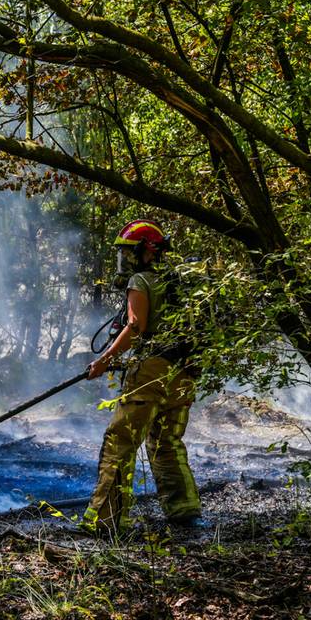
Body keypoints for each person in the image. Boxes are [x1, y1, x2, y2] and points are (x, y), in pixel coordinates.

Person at [85, 219, 200, 535]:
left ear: (143, 252)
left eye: (127, 252)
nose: (124, 260)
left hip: (151, 368)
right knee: (167, 442)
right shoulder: (178, 281)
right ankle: (185, 511)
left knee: (120, 441)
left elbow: (135, 326)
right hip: (184, 372)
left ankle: (103, 522)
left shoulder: (140, 280)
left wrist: (105, 361)